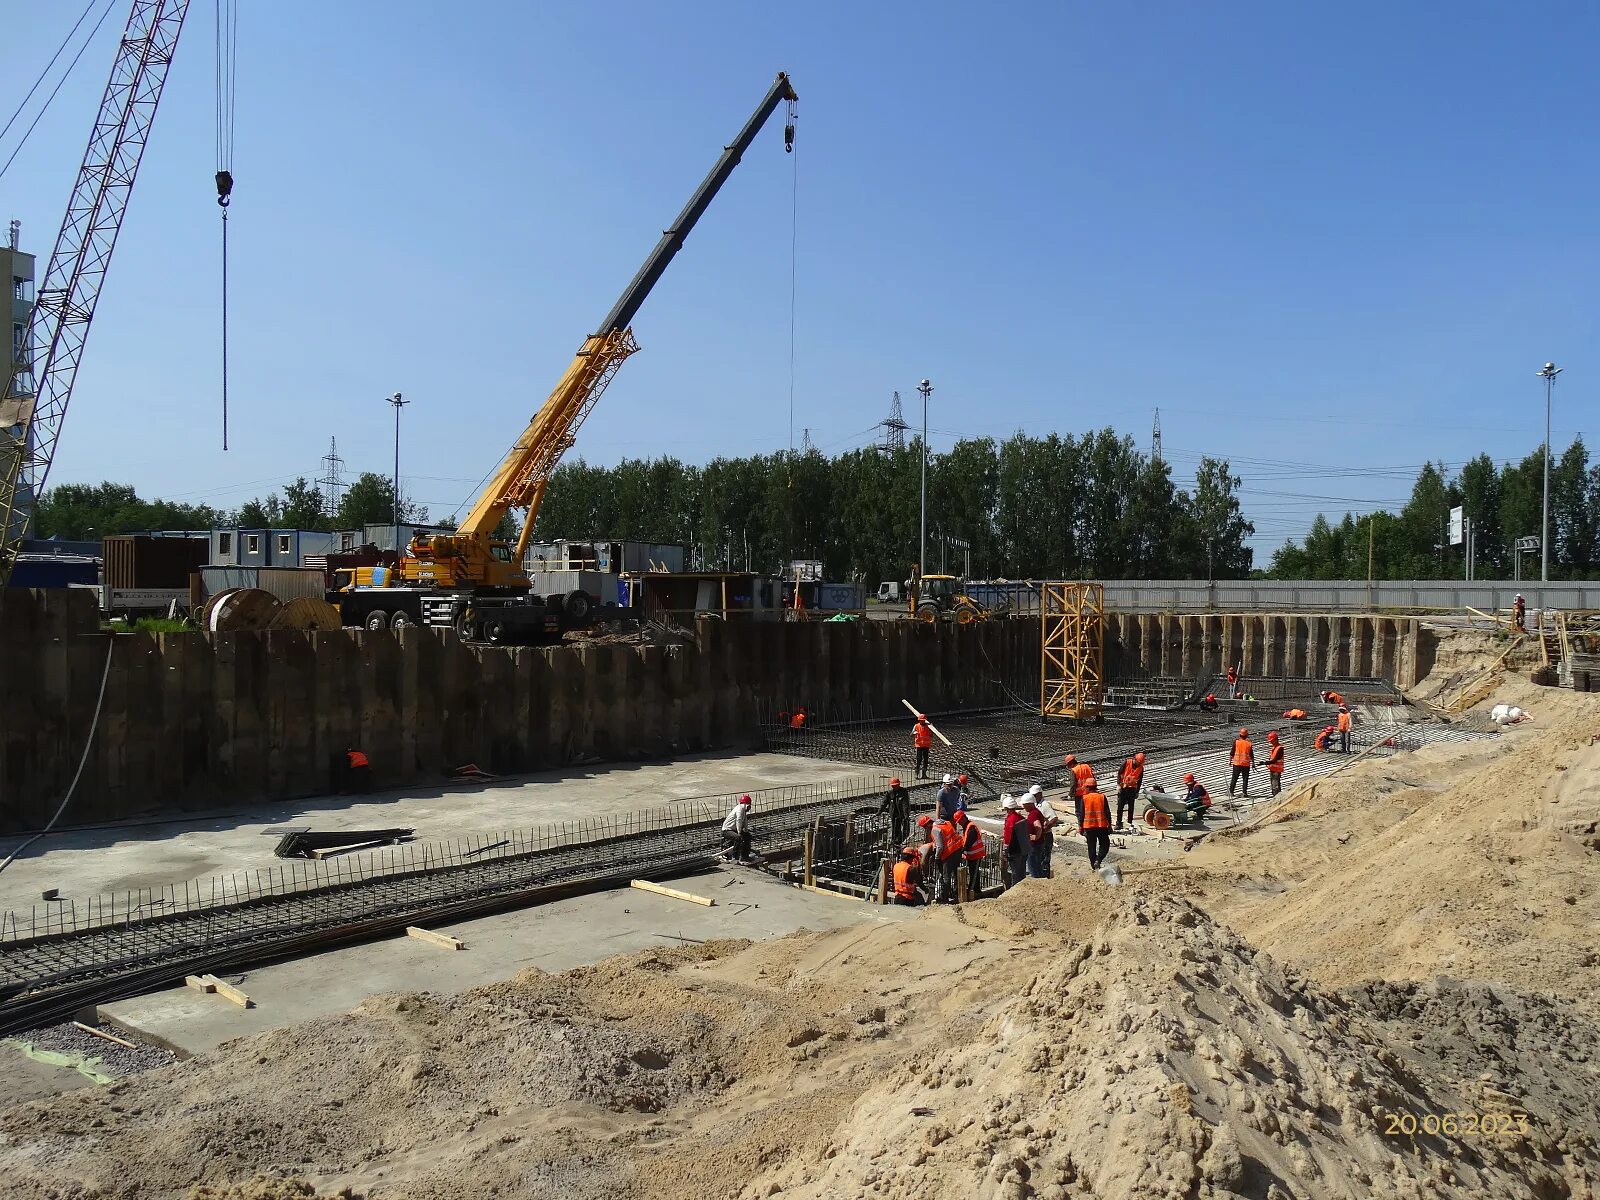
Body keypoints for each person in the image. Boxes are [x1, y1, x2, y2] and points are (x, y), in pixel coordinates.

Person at [1029, 783, 1059, 877]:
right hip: (1041, 835)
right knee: (1039, 858)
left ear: (1040, 794)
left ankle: (1045, 876)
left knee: (1045, 859)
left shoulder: (1045, 805)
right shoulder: (1036, 804)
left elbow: (1054, 818)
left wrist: (1045, 829)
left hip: (1046, 836)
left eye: (1034, 795)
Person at [1080, 781, 1112, 869]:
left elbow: (1081, 814)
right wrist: (1110, 825)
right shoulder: (1102, 797)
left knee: (1091, 847)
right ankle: (1098, 860)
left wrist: (1080, 827)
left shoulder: (1084, 798)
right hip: (1101, 825)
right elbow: (1107, 812)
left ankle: (1094, 867)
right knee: (1105, 844)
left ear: (1088, 787)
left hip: (1089, 827)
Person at [1001, 795, 1030, 888]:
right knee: (1022, 872)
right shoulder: (1020, 817)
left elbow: (1008, 837)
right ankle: (1022, 888)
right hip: (1023, 849)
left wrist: (1005, 851)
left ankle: (1016, 890)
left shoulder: (1010, 820)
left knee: (1015, 873)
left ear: (1006, 808)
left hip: (1014, 850)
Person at [933, 813, 963, 902]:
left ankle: (944, 898)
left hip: (948, 853)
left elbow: (940, 846)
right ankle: (957, 895)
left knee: (946, 876)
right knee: (956, 874)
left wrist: (937, 857)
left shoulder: (935, 829)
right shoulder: (947, 824)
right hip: (958, 849)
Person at [957, 810, 986, 898]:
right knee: (973, 873)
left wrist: (961, 850)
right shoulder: (967, 827)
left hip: (976, 855)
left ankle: (974, 891)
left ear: (963, 819)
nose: (959, 824)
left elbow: (968, 844)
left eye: (959, 821)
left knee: (974, 874)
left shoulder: (971, 828)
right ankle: (973, 889)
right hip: (971, 856)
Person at [877, 776, 911, 845]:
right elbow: (884, 803)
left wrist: (906, 815)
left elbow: (905, 804)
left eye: (895, 785)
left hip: (903, 814)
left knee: (906, 829)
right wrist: (879, 812)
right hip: (894, 814)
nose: (894, 787)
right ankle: (895, 843)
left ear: (899, 784)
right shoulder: (890, 793)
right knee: (895, 829)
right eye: (893, 786)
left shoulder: (903, 792)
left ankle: (899, 841)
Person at [1116, 751, 1145, 831]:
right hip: (1123, 787)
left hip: (1132, 789)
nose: (1138, 764)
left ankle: (1129, 823)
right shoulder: (1127, 762)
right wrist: (1118, 784)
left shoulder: (1140, 768)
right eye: (1138, 762)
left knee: (1131, 808)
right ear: (1134, 759)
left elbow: (1139, 781)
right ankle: (1118, 823)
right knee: (1120, 806)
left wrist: (1137, 792)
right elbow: (1119, 773)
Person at [720, 794, 754, 861]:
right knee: (738, 838)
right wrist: (739, 832)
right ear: (744, 804)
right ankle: (735, 856)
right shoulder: (739, 809)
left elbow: (745, 822)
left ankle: (744, 855)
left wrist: (746, 831)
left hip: (733, 829)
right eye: (748, 806)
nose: (749, 808)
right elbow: (739, 820)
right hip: (727, 830)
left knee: (748, 836)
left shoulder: (743, 811)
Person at [1229, 728, 1254, 798]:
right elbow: (1251, 754)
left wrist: (1230, 761)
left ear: (1240, 735)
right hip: (1246, 764)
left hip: (1237, 763)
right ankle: (1244, 792)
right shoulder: (1249, 743)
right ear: (1247, 735)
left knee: (1234, 777)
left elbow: (1232, 752)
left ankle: (1231, 792)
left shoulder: (1236, 742)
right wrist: (1253, 763)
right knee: (1245, 778)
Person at [1263, 731, 1285, 796]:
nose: (1271, 742)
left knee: (1275, 785)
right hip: (1273, 769)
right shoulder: (1274, 748)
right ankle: (1275, 796)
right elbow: (1272, 759)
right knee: (1273, 784)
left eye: (1272, 741)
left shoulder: (1280, 748)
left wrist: (1266, 762)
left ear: (1276, 739)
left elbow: (1275, 760)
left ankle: (1277, 796)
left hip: (1276, 770)